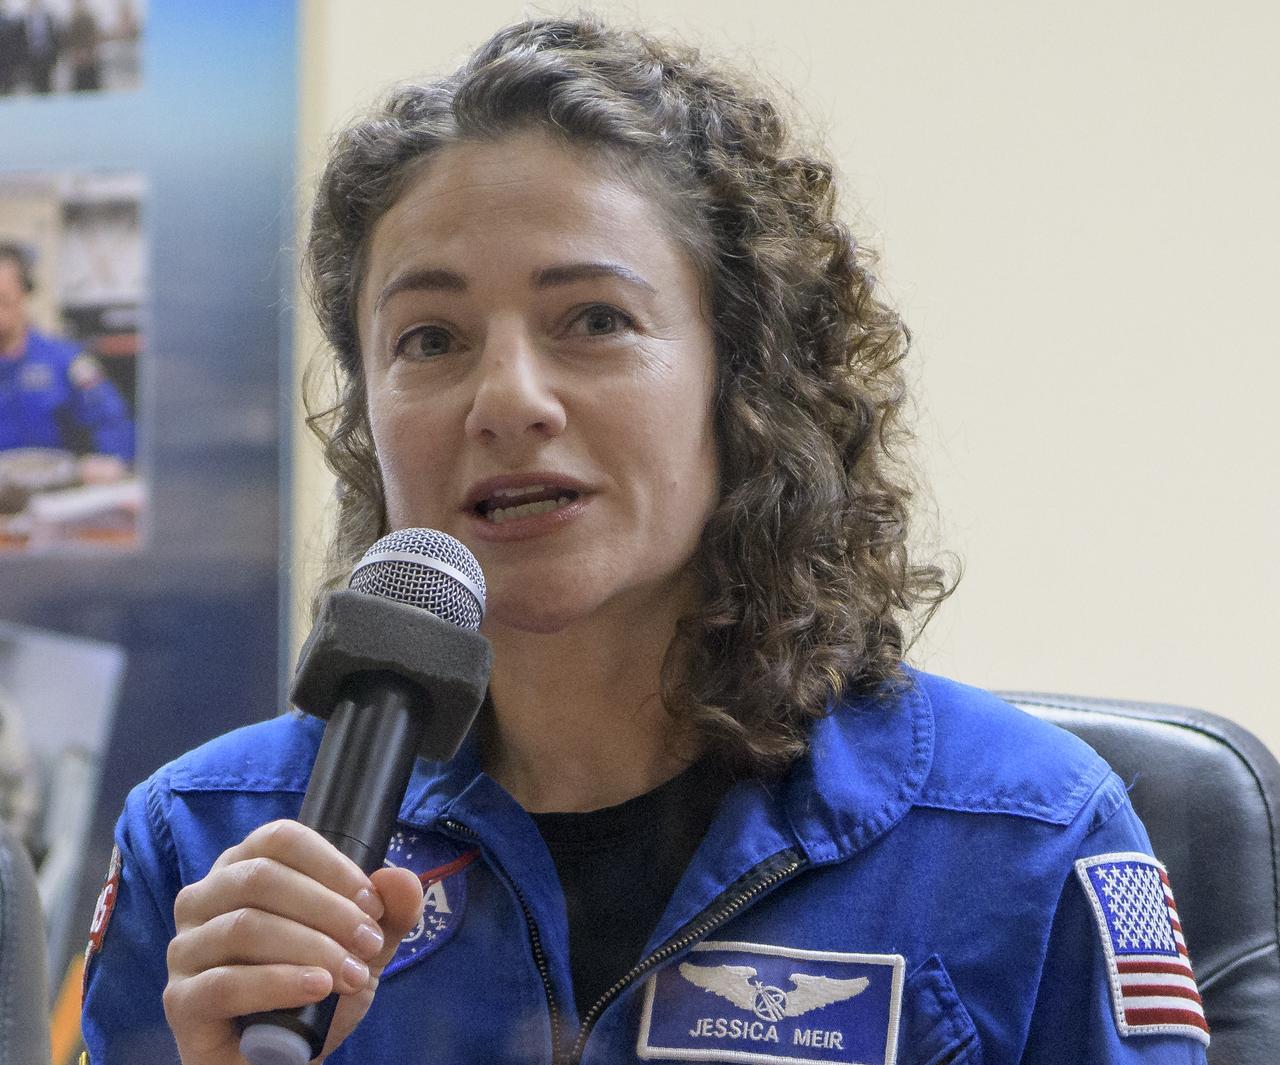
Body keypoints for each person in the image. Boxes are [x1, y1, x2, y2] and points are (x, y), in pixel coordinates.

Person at [80, 17, 1210, 1065]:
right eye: (429, 338)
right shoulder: (209, 844)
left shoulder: (1022, 839)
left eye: (594, 321)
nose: (506, 399)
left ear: (745, 378)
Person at [0, 242, 134, 465]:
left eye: (3, 300)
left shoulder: (66, 360)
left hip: (53, 489)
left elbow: (113, 421)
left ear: (24, 294)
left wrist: (110, 461)